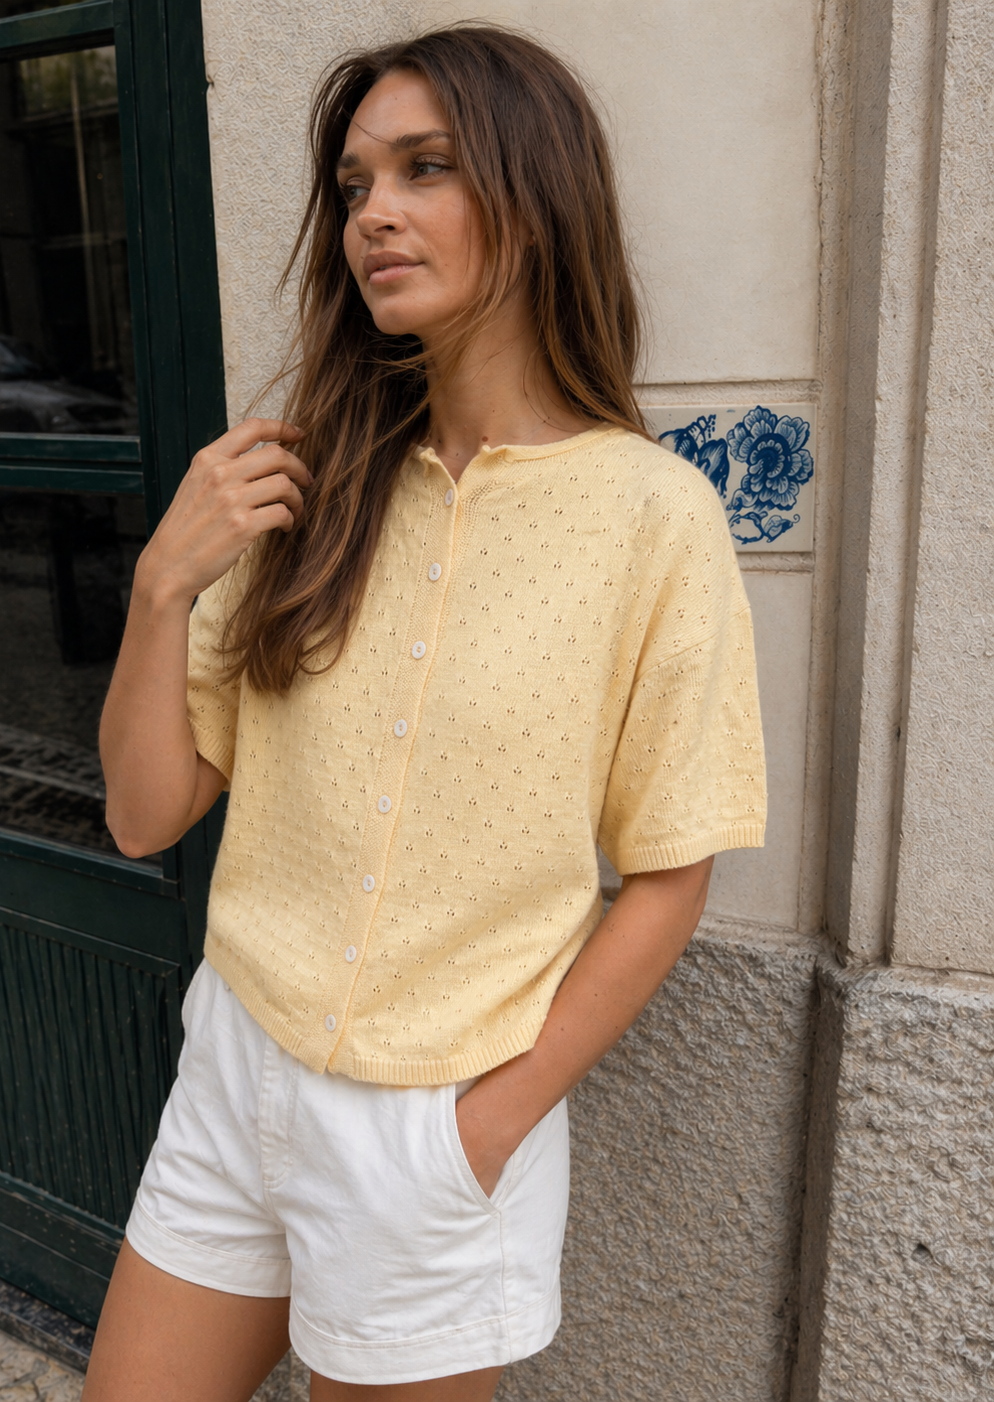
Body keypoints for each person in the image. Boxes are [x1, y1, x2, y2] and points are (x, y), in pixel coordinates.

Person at [86, 23, 766, 1402]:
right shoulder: (302, 480)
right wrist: (163, 583)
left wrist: (485, 1128)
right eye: (351, 184)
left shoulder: (652, 517)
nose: (372, 215)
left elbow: (668, 872)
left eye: (424, 168)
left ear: (534, 192)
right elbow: (145, 811)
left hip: (432, 1125)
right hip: (236, 1069)